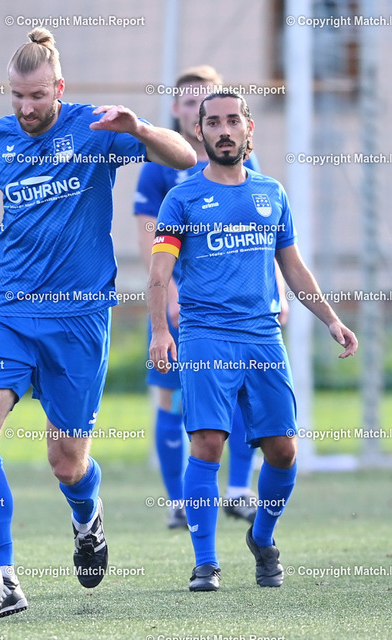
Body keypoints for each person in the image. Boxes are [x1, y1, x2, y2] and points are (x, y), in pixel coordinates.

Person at [0, 28, 196, 619]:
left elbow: (186, 156)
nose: (26, 107)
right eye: (17, 95)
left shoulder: (96, 129)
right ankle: (3, 578)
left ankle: (87, 515)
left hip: (79, 321)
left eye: (37, 95)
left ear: (59, 88)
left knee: (67, 461)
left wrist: (140, 129)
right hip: (10, 314)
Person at [147, 91, 357, 591]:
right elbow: (158, 274)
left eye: (232, 121)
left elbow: (293, 266)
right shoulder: (182, 199)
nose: (224, 130)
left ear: (248, 128)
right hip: (205, 336)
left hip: (263, 337)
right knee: (207, 442)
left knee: (283, 450)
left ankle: (262, 538)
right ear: (199, 132)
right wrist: (159, 331)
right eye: (213, 123)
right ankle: (206, 563)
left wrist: (330, 318)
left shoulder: (271, 193)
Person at [135, 66, 285, 528]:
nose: (201, 113)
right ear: (182, 112)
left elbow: (266, 237)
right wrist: (170, 295)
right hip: (179, 301)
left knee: (241, 396)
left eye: (223, 113)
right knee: (171, 398)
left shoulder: (243, 165)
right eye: (189, 102)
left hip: (241, 312)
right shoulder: (160, 166)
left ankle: (238, 490)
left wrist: (278, 293)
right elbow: (147, 238)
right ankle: (179, 501)